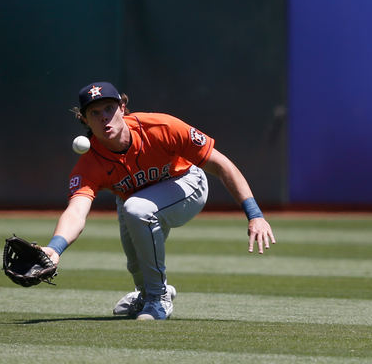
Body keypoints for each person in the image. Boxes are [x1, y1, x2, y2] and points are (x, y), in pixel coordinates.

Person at [40, 82, 275, 320]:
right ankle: (145, 295)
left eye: (109, 108)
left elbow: (222, 165)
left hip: (186, 183)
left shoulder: (161, 127)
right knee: (135, 261)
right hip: (134, 200)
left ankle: (158, 298)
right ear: (85, 120)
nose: (104, 117)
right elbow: (76, 211)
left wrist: (255, 214)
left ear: (123, 107)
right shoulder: (89, 164)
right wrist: (54, 248)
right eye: (94, 113)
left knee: (136, 208)